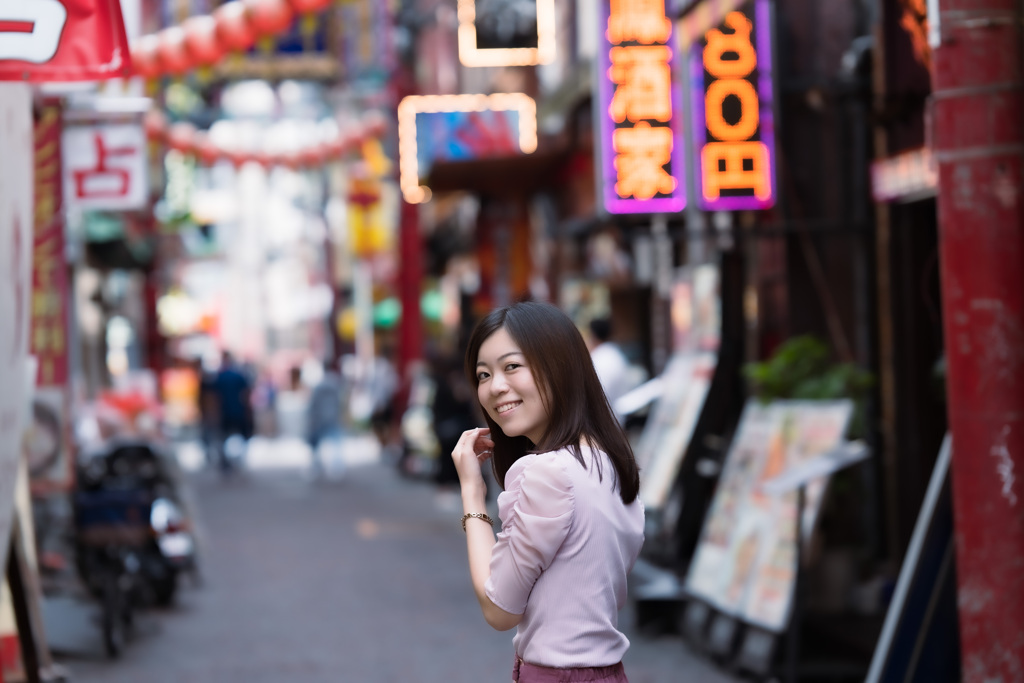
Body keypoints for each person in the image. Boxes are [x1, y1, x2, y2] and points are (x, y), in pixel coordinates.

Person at [451, 301, 645, 683]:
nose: (495, 387)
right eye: (484, 374)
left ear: (559, 366)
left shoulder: (544, 471)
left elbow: (499, 610)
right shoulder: (612, 463)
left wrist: (472, 495)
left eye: (512, 366)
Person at [306, 359, 344, 478]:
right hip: (332, 416)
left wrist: (311, 417)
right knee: (336, 444)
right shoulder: (336, 383)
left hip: (320, 418)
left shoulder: (319, 385)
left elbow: (313, 403)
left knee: (316, 445)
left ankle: (317, 466)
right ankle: (336, 468)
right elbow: (340, 401)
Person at [587, 317, 633, 413]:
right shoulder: (615, 354)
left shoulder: (602, 359)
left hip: (607, 417)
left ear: (593, 336)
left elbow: (598, 395)